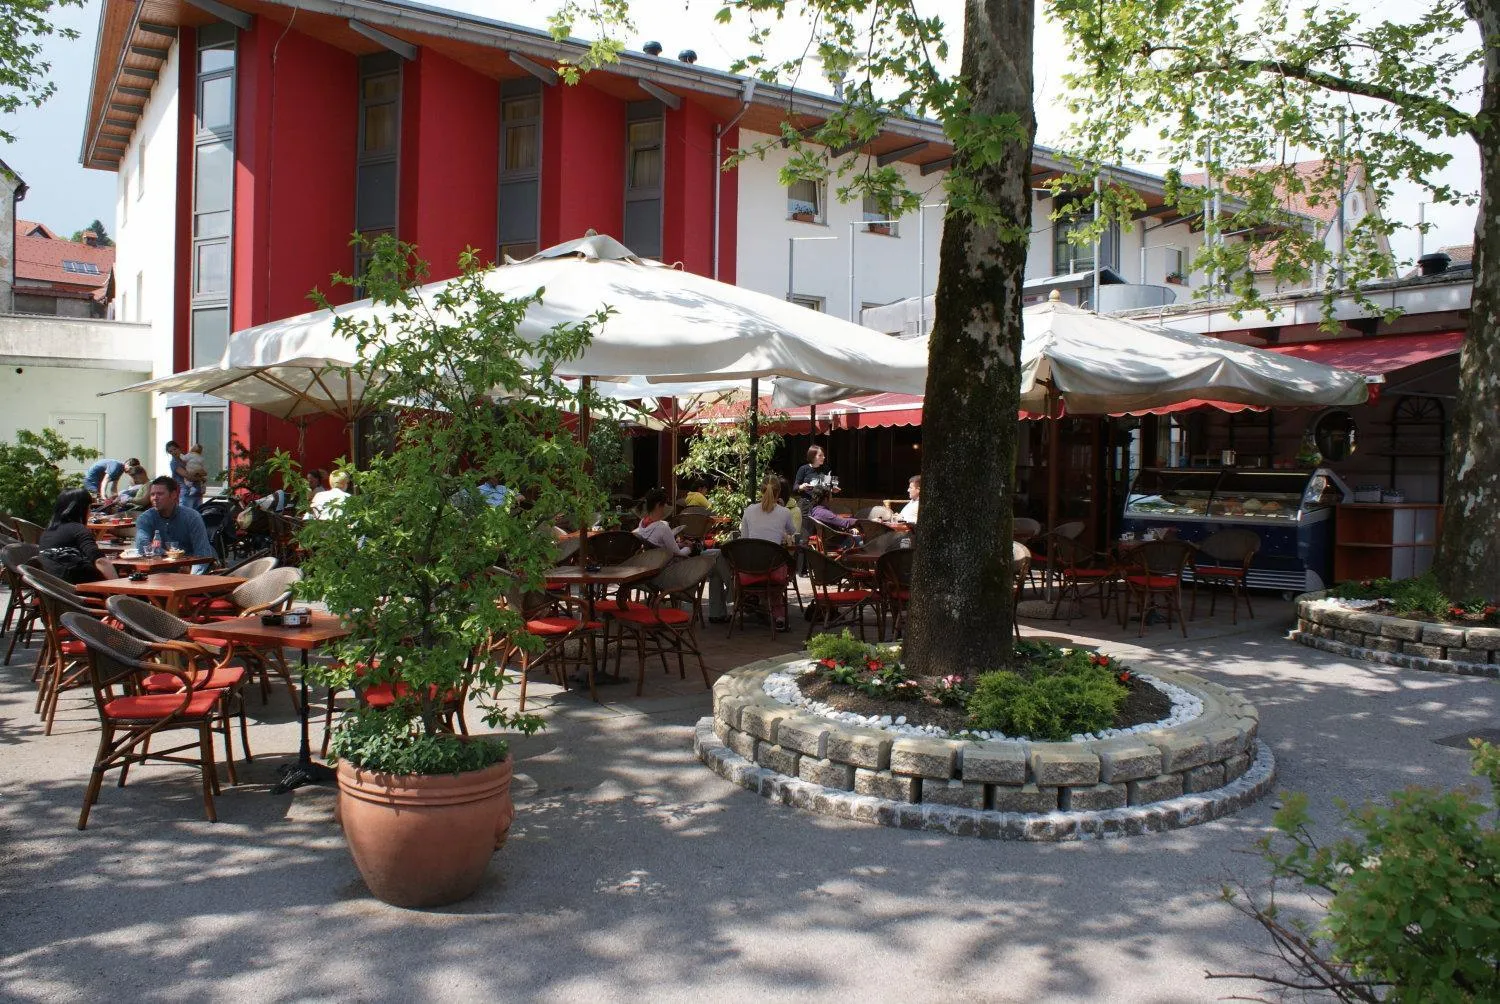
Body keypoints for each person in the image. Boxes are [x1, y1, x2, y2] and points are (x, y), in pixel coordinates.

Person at [735, 475, 797, 631]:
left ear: (761, 490)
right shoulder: (784, 512)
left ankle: (756, 605)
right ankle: (779, 615)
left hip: (749, 572)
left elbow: (744, 539)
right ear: (779, 492)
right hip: (773, 572)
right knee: (785, 565)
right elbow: (792, 531)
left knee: (768, 564)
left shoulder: (749, 510)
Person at [134, 476, 215, 567]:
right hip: (160, 569)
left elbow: (203, 553)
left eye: (160, 494)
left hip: (191, 568)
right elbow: (142, 547)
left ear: (173, 495)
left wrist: (192, 573)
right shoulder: (145, 518)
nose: (155, 498)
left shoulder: (192, 517)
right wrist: (169, 554)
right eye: (152, 494)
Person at [37, 488, 106, 583]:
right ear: (81, 509)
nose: (90, 512)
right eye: (89, 507)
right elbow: (100, 561)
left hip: (52, 587)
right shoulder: (78, 529)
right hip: (78, 587)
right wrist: (116, 584)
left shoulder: (47, 532)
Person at [633, 487, 692, 557]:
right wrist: (689, 548)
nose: (665, 507)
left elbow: (657, 543)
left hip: (649, 558)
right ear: (658, 505)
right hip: (662, 561)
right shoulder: (663, 528)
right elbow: (678, 554)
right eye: (664, 505)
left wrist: (679, 545)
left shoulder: (642, 522)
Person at [792, 445, 837, 514]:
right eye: (820, 455)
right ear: (812, 456)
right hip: (806, 504)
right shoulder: (803, 469)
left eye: (823, 455)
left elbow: (827, 486)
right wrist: (802, 487)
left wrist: (832, 489)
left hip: (821, 505)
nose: (823, 457)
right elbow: (795, 487)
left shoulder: (826, 469)